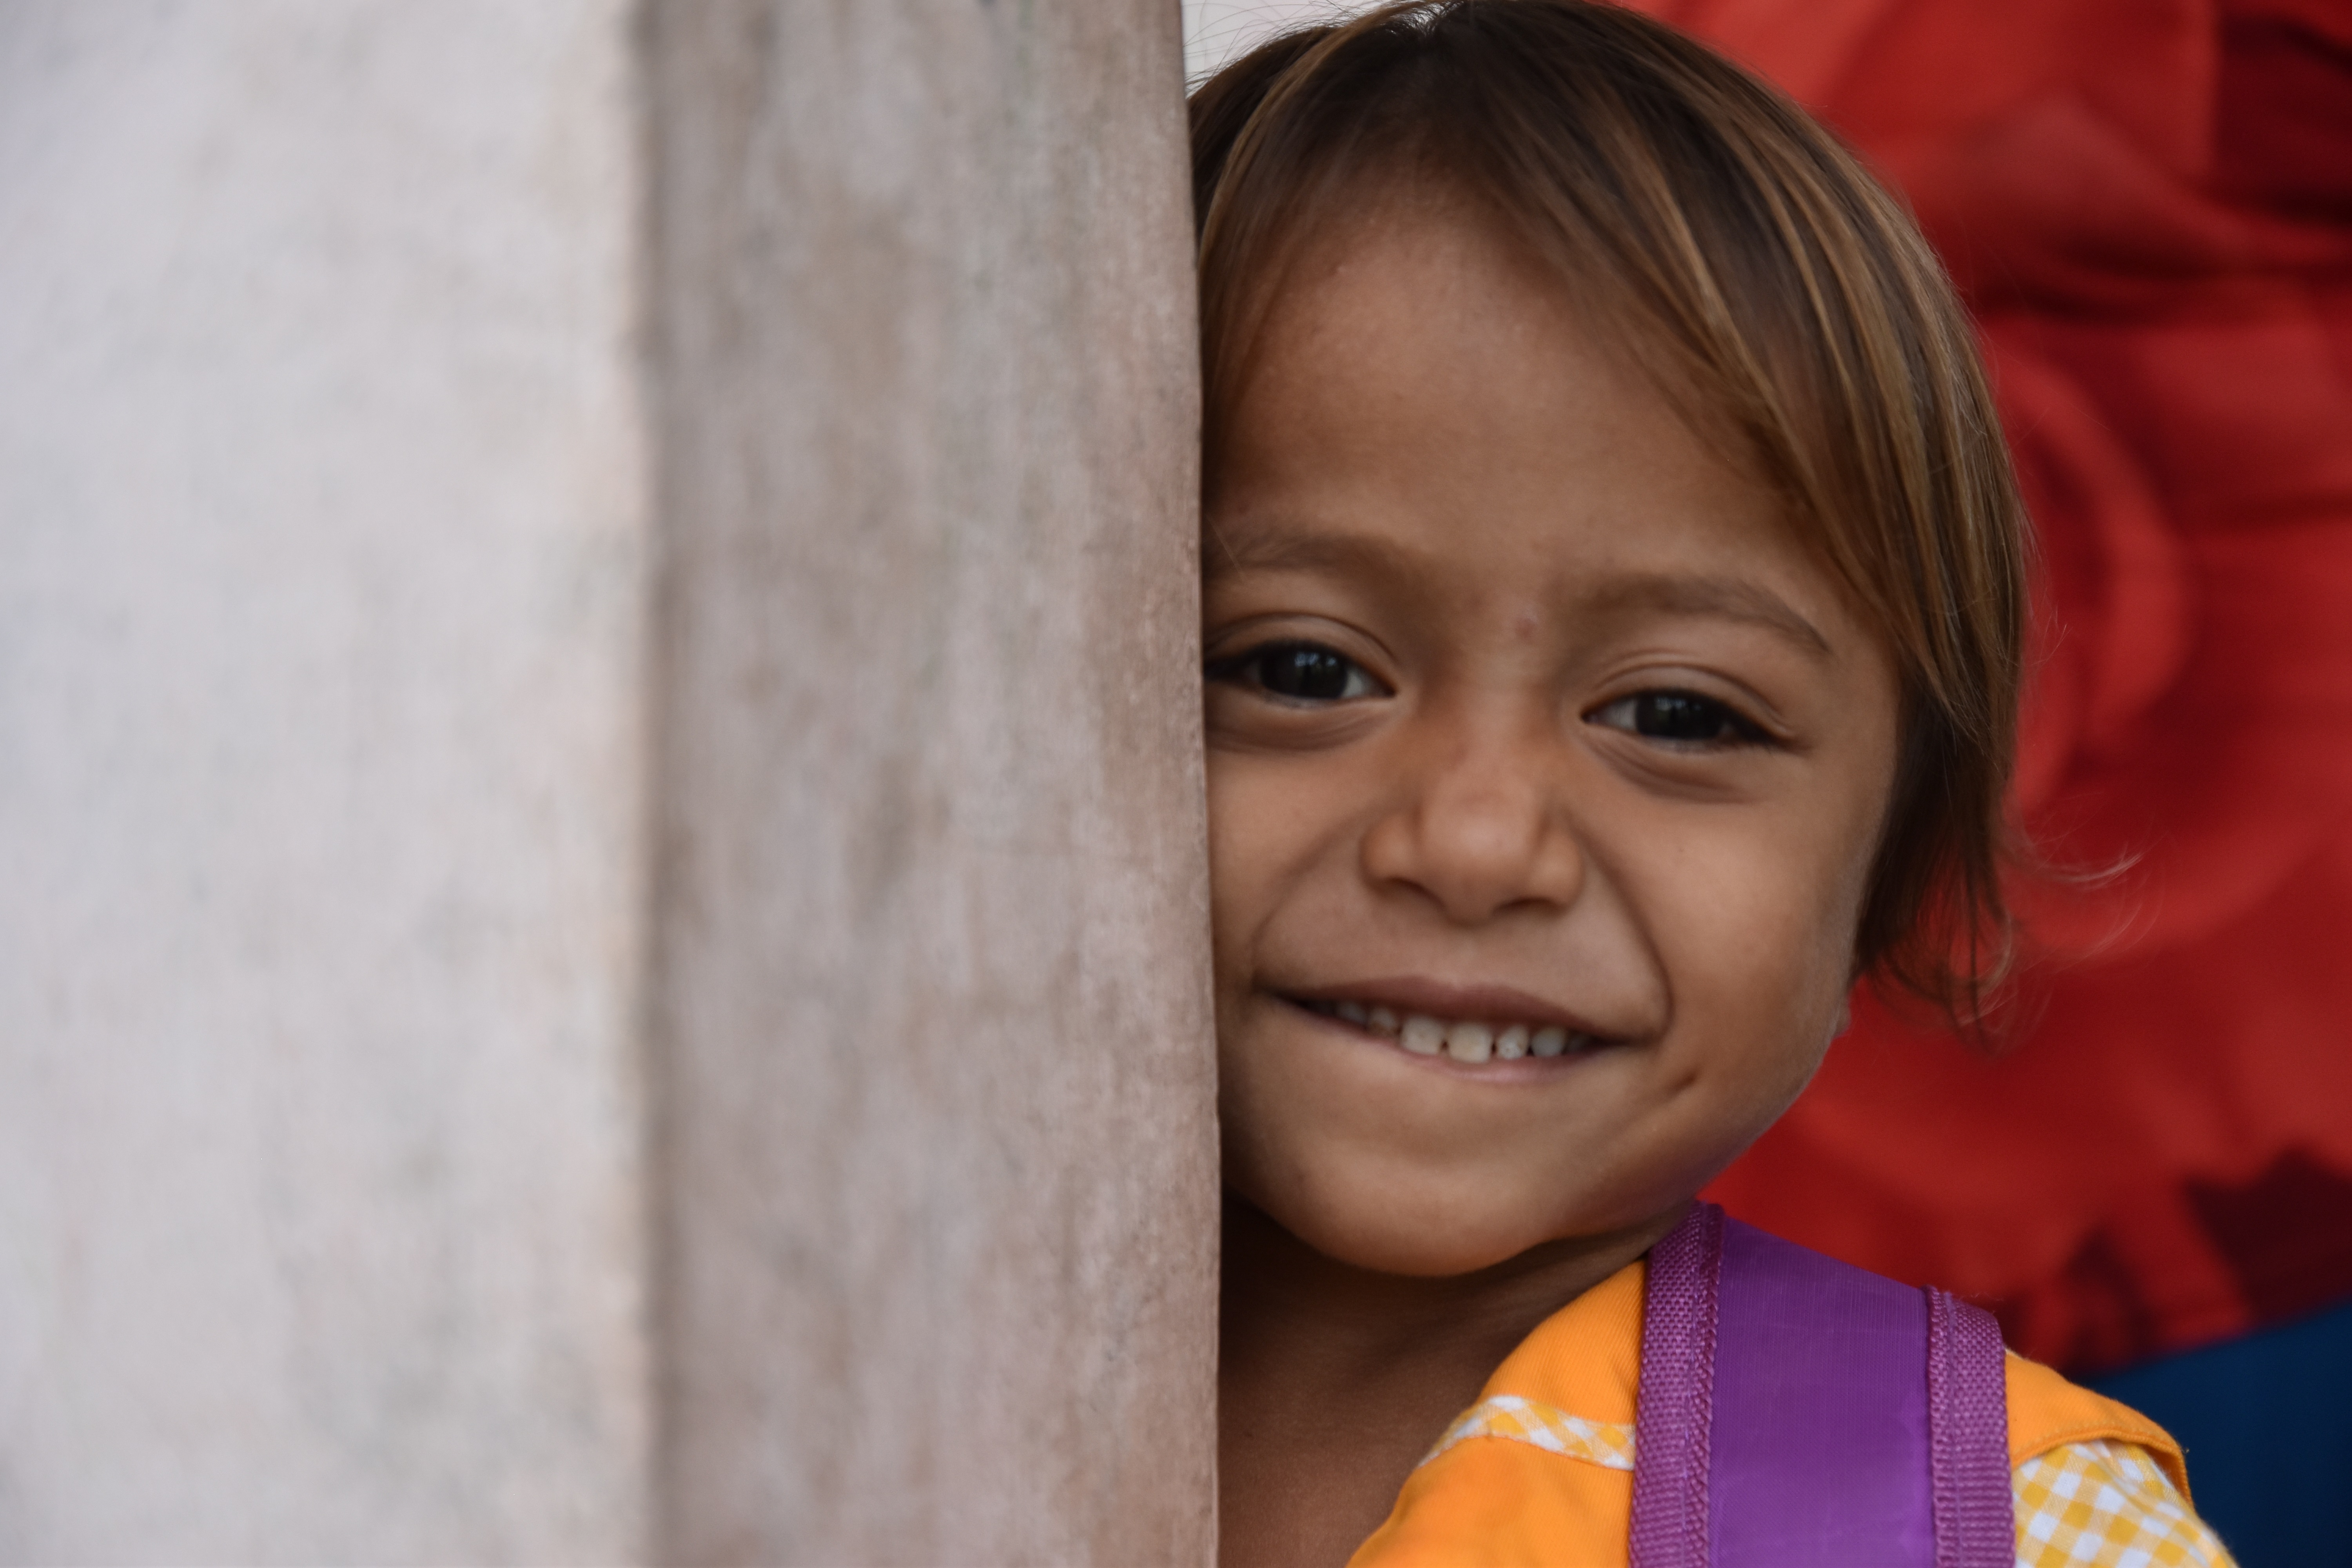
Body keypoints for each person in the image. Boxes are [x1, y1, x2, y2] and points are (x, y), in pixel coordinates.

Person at [1191, 3, 2236, 1563]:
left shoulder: (1999, 1532)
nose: (1476, 842)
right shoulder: (764, 1341)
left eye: (1679, 712)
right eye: (1301, 671)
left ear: (1890, 862)